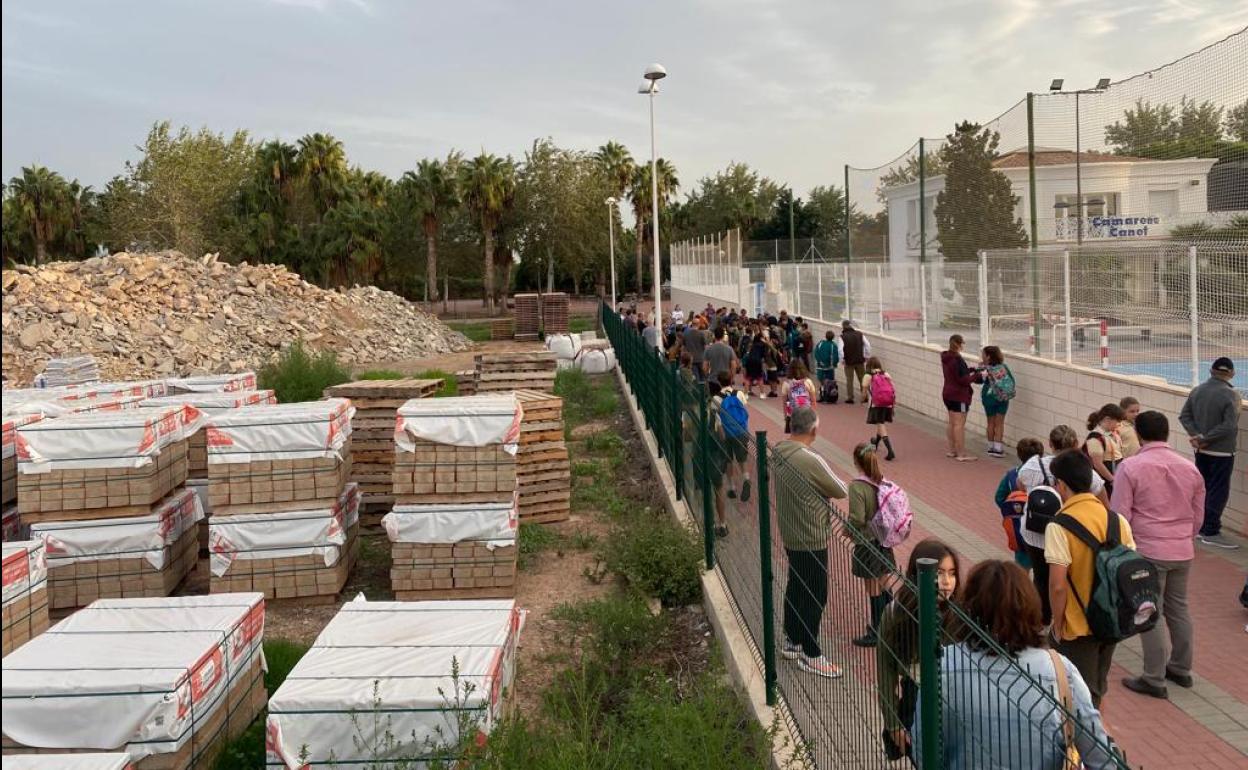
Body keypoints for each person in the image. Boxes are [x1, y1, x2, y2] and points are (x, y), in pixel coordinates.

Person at [916, 560, 1120, 770]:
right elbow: (1103, 758)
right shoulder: (1060, 671)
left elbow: (922, 751)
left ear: (969, 608)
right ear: (1030, 607)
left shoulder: (942, 665)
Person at [1112, 411, 1205, 699]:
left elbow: (1120, 515)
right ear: (1166, 434)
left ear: (1139, 434)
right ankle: (1180, 667)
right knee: (1179, 608)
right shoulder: (1189, 467)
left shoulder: (1131, 467)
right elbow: (1198, 513)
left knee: (1148, 609)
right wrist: (1185, 536)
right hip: (1182, 548)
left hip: (1148, 549)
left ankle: (1154, 677)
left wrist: (1119, 550)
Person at [1045, 450, 1137, 708]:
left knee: (1074, 694)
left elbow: (1058, 584)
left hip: (1077, 626)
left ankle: (1084, 745)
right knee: (1097, 687)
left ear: (1062, 484)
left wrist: (1058, 622)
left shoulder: (1059, 525)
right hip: (1111, 621)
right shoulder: (1116, 520)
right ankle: (1097, 736)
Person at [774, 407, 847, 679]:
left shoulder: (779, 450)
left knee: (796, 584)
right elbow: (840, 488)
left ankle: (792, 640)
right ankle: (811, 653)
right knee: (816, 593)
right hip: (811, 535)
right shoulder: (810, 459)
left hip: (790, 531)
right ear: (814, 430)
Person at [876, 539, 962, 760]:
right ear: (918, 574)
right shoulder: (895, 614)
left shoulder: (962, 614)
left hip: (956, 705)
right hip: (915, 699)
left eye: (952, 573)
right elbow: (885, 673)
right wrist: (893, 724)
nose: (947, 582)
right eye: (939, 573)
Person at [1016, 425, 1109, 625]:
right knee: (1065, 577)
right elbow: (1103, 501)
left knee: (1041, 577)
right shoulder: (1085, 472)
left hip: (1034, 533)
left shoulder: (1032, 465)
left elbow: (1020, 486)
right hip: (1069, 533)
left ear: (1050, 444)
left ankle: (1042, 619)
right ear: (1076, 444)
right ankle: (1065, 618)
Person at [1179, 357, 1242, 550]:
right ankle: (1211, 530)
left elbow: (1184, 416)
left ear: (1211, 371)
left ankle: (1199, 525)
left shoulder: (1197, 391)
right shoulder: (1231, 395)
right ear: (1231, 373)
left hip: (1201, 449)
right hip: (1222, 451)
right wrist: (1206, 437)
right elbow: (1229, 425)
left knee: (1202, 488)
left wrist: (1198, 436)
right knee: (1218, 490)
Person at [846, 442, 898, 648]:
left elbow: (857, 518)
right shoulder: (881, 482)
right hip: (883, 541)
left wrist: (846, 528)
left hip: (867, 542)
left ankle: (877, 630)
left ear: (857, 462)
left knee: (873, 587)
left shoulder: (857, 486)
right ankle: (891, 623)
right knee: (884, 583)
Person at [995, 437, 1045, 570]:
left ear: (1019, 455)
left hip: (1019, 527)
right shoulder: (1046, 474)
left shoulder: (1012, 475)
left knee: (1021, 566)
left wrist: (1012, 511)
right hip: (1041, 527)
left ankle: (1021, 589)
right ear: (1040, 455)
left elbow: (999, 497)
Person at [715, 371, 752, 503]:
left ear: (719, 382)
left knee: (729, 459)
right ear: (731, 380)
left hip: (726, 433)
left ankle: (731, 487)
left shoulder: (716, 398)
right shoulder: (739, 394)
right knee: (742, 459)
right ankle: (746, 478)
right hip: (741, 431)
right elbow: (744, 409)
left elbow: (717, 418)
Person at [941, 334, 978, 461]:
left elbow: (957, 373)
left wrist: (971, 369)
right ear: (959, 344)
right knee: (959, 424)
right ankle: (961, 454)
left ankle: (952, 450)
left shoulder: (946, 357)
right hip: (959, 396)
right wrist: (977, 376)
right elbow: (963, 380)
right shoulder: (957, 359)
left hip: (948, 393)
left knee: (951, 423)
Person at [979, 345, 1015, 458]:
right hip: (1003, 397)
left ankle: (990, 447)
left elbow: (980, 380)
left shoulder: (984, 368)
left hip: (989, 396)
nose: (982, 356)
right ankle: (998, 448)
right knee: (1000, 423)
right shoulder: (1003, 367)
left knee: (990, 422)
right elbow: (1012, 380)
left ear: (988, 356)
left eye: (983, 354)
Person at [1084, 403, 1125, 496]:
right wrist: (1112, 480)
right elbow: (1098, 464)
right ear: (1107, 419)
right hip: (1106, 481)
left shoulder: (1112, 433)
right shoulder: (1095, 438)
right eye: (1117, 421)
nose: (1119, 424)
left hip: (1115, 474)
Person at [862, 356, 896, 461]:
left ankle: (890, 450)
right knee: (880, 423)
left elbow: (864, 389)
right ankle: (875, 443)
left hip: (876, 404)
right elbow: (893, 390)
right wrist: (893, 405)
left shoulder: (868, 375)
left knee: (880, 424)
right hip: (888, 403)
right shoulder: (886, 374)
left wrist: (863, 398)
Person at [839, 320, 870, 404]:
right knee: (862, 379)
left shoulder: (842, 336)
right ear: (851, 326)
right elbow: (867, 345)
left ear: (843, 326)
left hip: (849, 361)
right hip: (860, 360)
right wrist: (866, 356)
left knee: (849, 379)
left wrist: (842, 360)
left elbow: (840, 350)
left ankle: (850, 397)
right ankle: (865, 396)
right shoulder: (860, 334)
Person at [781, 360, 816, 434]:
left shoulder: (786, 384)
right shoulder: (808, 382)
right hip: (806, 412)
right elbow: (813, 401)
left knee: (795, 435)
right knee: (805, 435)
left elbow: (785, 403)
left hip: (793, 413)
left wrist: (786, 417)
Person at [814, 330, 839, 401]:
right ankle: (829, 395)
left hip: (820, 367)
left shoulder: (820, 343)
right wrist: (834, 364)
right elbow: (835, 356)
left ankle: (821, 395)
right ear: (833, 337)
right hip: (830, 367)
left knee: (821, 381)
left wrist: (819, 361)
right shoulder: (833, 345)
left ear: (825, 336)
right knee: (830, 381)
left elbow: (816, 353)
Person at [682, 318, 710, 383]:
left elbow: (683, 347)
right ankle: (703, 392)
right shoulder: (701, 334)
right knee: (703, 378)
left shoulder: (686, 334)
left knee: (695, 379)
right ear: (699, 324)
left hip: (691, 359)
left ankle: (697, 391)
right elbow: (705, 347)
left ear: (692, 324)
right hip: (701, 358)